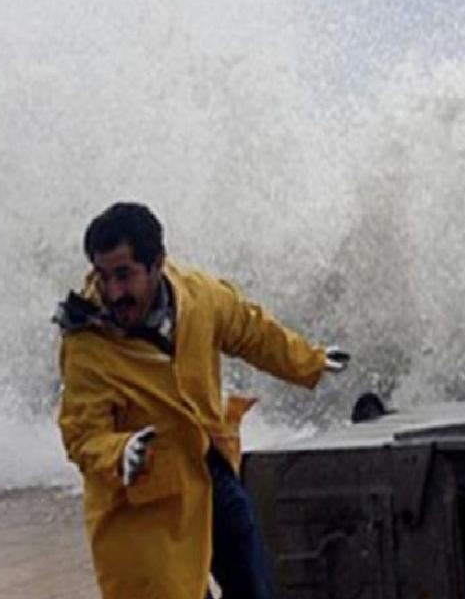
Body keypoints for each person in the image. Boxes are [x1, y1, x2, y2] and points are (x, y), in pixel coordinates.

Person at [55, 202, 348, 599]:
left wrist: (308, 361)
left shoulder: (198, 297)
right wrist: (120, 452)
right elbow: (82, 435)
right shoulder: (86, 343)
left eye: (124, 275)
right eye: (103, 276)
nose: (113, 292)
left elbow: (250, 331)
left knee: (252, 582)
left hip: (207, 467)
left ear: (157, 263)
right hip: (143, 501)